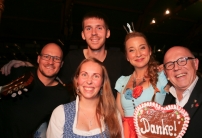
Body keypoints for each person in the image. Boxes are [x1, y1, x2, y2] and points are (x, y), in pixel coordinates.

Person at [0, 11, 133, 97]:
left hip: (112, 122)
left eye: (99, 28)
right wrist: (27, 65)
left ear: (107, 33)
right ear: (83, 35)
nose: (94, 33)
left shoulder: (119, 58)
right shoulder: (73, 58)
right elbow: (52, 77)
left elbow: (136, 80)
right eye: (88, 28)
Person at [45, 58, 127, 138]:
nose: (89, 81)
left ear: (102, 83)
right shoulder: (60, 113)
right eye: (84, 75)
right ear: (77, 80)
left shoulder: (112, 113)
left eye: (96, 76)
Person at [0, 43, 70, 138]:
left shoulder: (62, 96)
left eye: (56, 58)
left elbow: (55, 129)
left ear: (61, 64)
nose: (50, 62)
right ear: (38, 59)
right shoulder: (19, 72)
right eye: (46, 56)